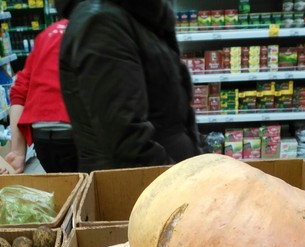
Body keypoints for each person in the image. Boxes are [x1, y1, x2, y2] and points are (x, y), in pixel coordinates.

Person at [56, 0, 203, 173]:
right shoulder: (102, 21)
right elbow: (125, 137)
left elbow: (172, 114)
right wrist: (175, 179)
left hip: (167, 175)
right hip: (138, 185)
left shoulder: (138, 18)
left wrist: (200, 155)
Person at [5, 18, 78, 174]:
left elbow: (19, 91)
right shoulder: (99, 30)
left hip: (42, 137)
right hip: (77, 131)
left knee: (64, 188)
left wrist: (17, 151)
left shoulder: (47, 34)